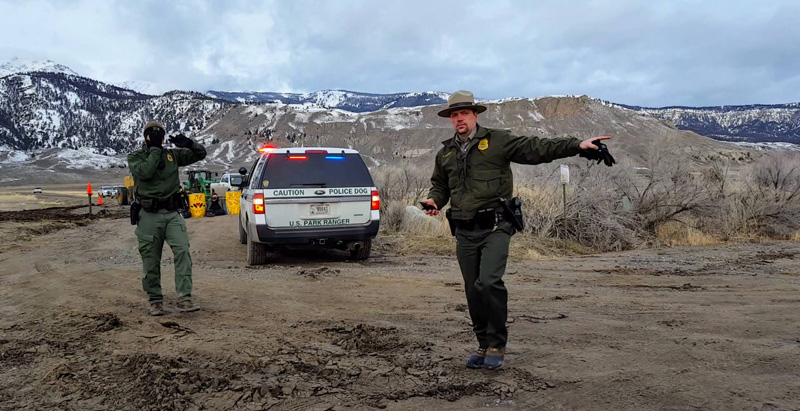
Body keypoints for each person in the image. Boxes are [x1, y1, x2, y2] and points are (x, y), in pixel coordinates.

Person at [421, 90, 615, 370]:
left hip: (497, 225)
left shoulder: (497, 141)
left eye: (464, 113)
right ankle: (483, 343)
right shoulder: (446, 153)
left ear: (476, 115)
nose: (459, 118)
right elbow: (440, 185)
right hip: (464, 230)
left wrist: (577, 146)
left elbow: (537, 148)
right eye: (454, 114)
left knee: (488, 282)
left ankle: (497, 343)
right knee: (472, 290)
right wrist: (434, 201)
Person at [128, 121, 207, 316]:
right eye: (153, 135)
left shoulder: (172, 155)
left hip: (172, 213)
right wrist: (154, 150)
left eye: (160, 134)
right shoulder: (136, 157)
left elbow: (200, 154)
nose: (158, 138)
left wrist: (189, 143)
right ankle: (155, 300)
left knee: (182, 251)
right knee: (151, 259)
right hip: (149, 215)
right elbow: (145, 172)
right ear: (146, 137)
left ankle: (185, 298)